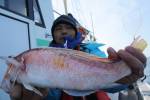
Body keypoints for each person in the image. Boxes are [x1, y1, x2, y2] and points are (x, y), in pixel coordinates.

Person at [9, 14, 147, 100]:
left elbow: (110, 85)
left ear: (76, 32)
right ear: (53, 35)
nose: (63, 31)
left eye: (68, 27)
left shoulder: (91, 51)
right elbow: (52, 93)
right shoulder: (41, 57)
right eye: (58, 29)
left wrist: (124, 80)